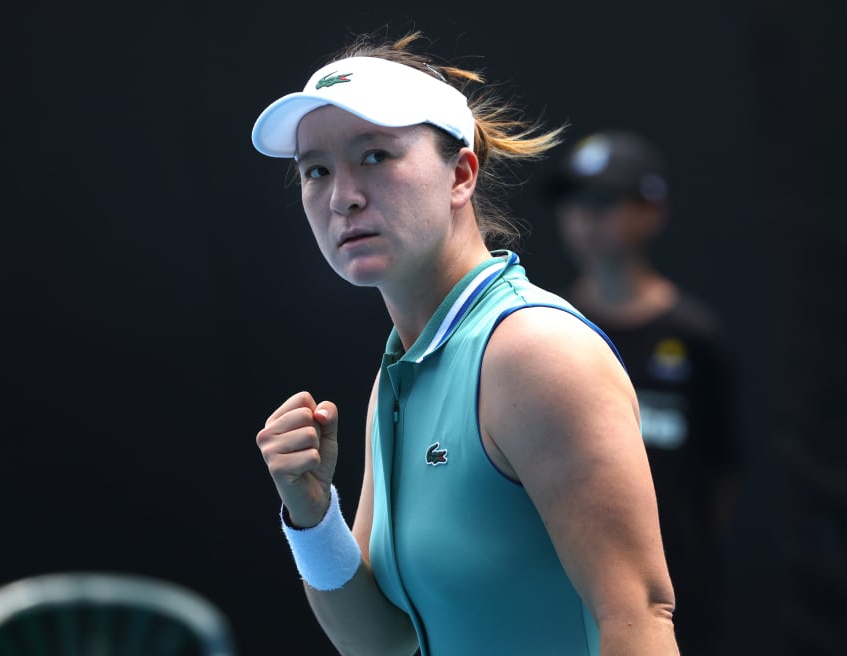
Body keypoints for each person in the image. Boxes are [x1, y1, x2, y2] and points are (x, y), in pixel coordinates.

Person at [250, 29, 681, 656]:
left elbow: (639, 619)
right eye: (316, 170)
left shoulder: (536, 352)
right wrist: (313, 519)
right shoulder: (400, 371)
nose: (342, 196)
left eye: (374, 155)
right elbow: (381, 644)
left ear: (461, 174)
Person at [542, 130, 744, 655]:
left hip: (679, 599)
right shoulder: (544, 331)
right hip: (570, 593)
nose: (586, 217)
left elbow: (722, 472)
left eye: (605, 201)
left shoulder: (697, 338)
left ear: (652, 211)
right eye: (575, 200)